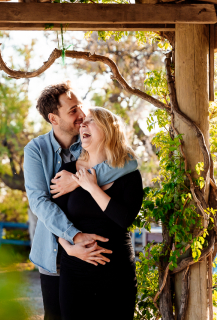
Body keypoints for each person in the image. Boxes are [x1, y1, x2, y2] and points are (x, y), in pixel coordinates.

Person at [23, 82, 138, 320]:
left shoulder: (86, 144)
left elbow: (127, 164)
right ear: (54, 119)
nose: (81, 114)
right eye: (73, 110)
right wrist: (72, 240)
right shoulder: (36, 150)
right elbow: (41, 203)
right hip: (55, 252)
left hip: (107, 264)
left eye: (81, 107)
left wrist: (78, 181)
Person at [56, 107, 142, 320]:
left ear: (109, 130)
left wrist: (92, 187)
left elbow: (125, 219)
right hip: (74, 272)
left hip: (117, 274)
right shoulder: (67, 171)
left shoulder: (129, 174)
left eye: (91, 121)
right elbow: (53, 218)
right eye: (83, 121)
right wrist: (69, 248)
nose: (82, 124)